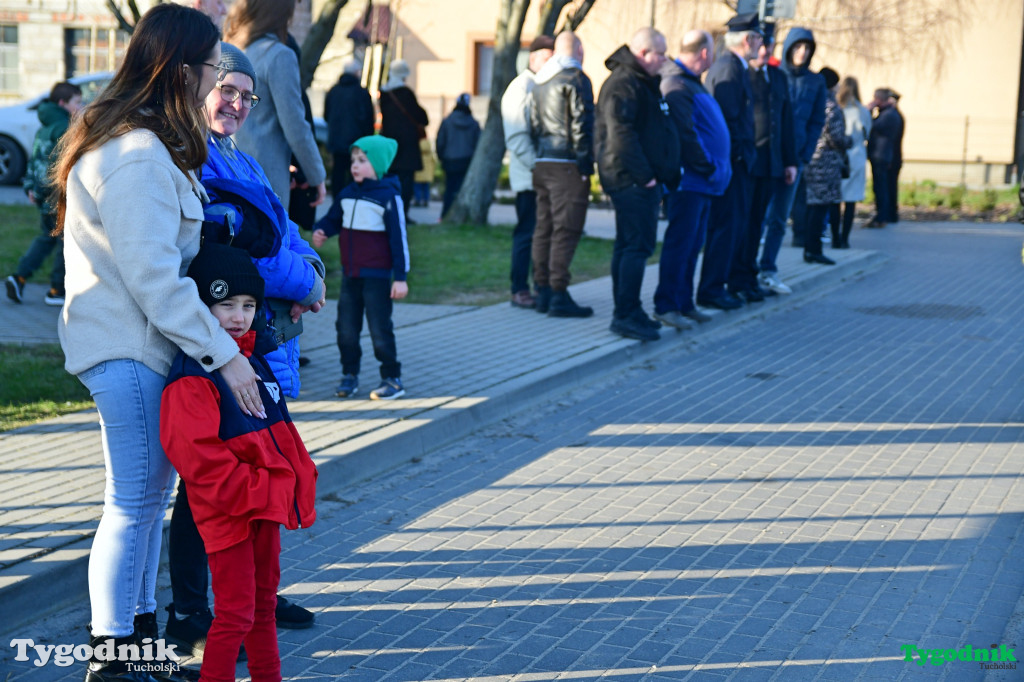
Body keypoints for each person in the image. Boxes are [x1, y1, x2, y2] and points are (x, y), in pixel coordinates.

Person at [51, 6, 261, 681]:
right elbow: (155, 280)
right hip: (127, 347)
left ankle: (135, 646)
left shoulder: (145, 144)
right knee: (133, 501)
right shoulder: (136, 154)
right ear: (179, 69)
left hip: (144, 347)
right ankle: (113, 657)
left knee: (146, 499)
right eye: (207, 68)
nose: (213, 80)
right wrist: (225, 357)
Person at [164, 42, 324, 658]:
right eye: (225, 89)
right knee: (204, 484)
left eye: (245, 96)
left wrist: (309, 266)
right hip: (220, 343)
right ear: (199, 86)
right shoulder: (192, 155)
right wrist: (304, 281)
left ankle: (254, 592)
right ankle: (193, 610)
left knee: (260, 457)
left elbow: (281, 232)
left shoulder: (243, 156)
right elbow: (239, 257)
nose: (235, 103)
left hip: (261, 341)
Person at [161, 243, 318, 682]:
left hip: (265, 507)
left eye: (248, 305)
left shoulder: (254, 363)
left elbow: (282, 435)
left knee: (264, 607)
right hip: (231, 514)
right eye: (225, 304)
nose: (238, 316)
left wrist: (296, 482)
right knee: (235, 614)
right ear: (201, 307)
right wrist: (261, 489)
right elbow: (199, 461)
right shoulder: (193, 376)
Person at [595, 26, 680, 341]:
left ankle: (630, 309)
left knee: (630, 246)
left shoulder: (640, 81)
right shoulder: (624, 83)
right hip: (631, 180)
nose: (665, 59)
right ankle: (625, 314)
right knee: (636, 246)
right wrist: (646, 177)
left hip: (635, 179)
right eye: (661, 53)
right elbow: (621, 135)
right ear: (644, 53)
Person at [312, 136, 410, 401]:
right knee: (346, 328)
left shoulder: (388, 197)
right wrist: (323, 230)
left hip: (377, 278)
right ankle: (349, 375)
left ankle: (392, 377)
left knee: (380, 329)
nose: (355, 165)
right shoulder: (347, 193)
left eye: (362, 160)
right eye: (354, 160)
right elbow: (333, 219)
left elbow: (399, 239)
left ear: (377, 165)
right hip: (350, 276)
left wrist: (400, 278)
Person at [654, 30, 731, 330]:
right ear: (703, 53)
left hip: (704, 182)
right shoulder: (675, 84)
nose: (713, 57)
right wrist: (708, 166)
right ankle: (666, 304)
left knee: (692, 245)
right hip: (691, 182)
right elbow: (685, 134)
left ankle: (684, 303)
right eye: (711, 51)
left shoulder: (690, 83)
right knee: (680, 244)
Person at [225, 0, 326, 212]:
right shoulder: (279, 55)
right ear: (282, 16)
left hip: (227, 167)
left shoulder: (231, 49)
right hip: (264, 176)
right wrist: (316, 175)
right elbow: (295, 125)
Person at [696, 12, 761, 312]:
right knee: (725, 228)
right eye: (758, 38)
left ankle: (719, 284)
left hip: (738, 163)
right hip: (732, 164)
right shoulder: (729, 69)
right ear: (748, 40)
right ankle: (712, 288)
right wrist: (738, 156)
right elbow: (726, 121)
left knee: (732, 227)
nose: (760, 45)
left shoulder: (735, 67)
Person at [529, 31, 595, 318]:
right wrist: (585, 166)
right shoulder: (576, 79)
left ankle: (542, 289)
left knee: (544, 228)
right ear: (578, 50)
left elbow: (533, 124)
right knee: (565, 229)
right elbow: (582, 125)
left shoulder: (540, 80)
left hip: (543, 161)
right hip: (567, 163)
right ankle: (558, 293)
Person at [729, 31, 797, 302]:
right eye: (762, 45)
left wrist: (790, 160)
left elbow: (786, 120)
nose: (766, 51)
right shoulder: (744, 75)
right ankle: (737, 277)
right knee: (743, 222)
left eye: (769, 46)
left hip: (772, 163)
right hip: (750, 160)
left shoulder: (778, 77)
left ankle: (750, 275)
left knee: (758, 221)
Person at [6, 81, 82, 306]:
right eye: (77, 102)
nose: (80, 106)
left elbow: (35, 159)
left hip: (43, 194)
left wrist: (30, 187)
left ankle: (18, 277)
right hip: (60, 195)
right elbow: (65, 165)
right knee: (65, 241)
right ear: (62, 103)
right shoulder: (65, 128)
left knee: (46, 238)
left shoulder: (44, 128)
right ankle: (57, 290)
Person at [760, 26, 826, 270]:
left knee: (779, 218)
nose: (802, 52)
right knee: (760, 216)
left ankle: (768, 267)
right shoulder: (774, 75)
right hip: (769, 156)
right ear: (789, 47)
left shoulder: (815, 81)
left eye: (807, 48)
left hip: (796, 158)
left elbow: (817, 121)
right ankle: (746, 269)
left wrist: (806, 154)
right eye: (798, 46)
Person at [500, 34, 554, 309]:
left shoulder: (541, 85)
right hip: (529, 178)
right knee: (527, 233)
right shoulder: (520, 88)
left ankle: (538, 285)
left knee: (540, 234)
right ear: (533, 58)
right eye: (546, 57)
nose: (550, 63)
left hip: (541, 176)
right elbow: (517, 138)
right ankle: (518, 288)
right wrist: (539, 167)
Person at [802, 67, 851, 265]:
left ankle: (808, 247)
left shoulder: (812, 100)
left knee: (813, 205)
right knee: (821, 206)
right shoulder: (830, 105)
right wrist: (850, 141)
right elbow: (836, 136)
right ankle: (814, 250)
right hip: (826, 162)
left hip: (811, 158)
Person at [379, 59, 429, 218]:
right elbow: (422, 117)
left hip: (390, 145)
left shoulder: (384, 96)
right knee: (406, 182)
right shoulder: (407, 94)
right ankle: (402, 214)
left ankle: (390, 212)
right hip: (408, 146)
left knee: (390, 181)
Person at [325, 58, 375, 197]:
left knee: (338, 173)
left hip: (337, 140)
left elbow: (326, 115)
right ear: (356, 73)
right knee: (356, 172)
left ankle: (337, 200)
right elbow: (368, 119)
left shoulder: (333, 91)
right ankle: (352, 199)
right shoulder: (362, 93)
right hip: (356, 141)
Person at [833, 76, 872, 247]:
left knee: (834, 200)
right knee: (850, 201)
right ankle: (845, 239)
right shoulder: (862, 111)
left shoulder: (836, 108)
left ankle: (835, 238)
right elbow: (867, 134)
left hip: (838, 157)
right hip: (856, 157)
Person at [436, 93, 481, 217]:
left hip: (449, 160)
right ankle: (461, 216)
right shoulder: (473, 124)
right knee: (462, 190)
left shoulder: (447, 122)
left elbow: (440, 141)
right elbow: (478, 143)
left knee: (449, 189)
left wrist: (441, 157)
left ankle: (445, 214)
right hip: (466, 160)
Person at [866, 88, 904, 227]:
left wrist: (868, 112)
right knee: (884, 187)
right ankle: (887, 215)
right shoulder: (889, 114)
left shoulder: (889, 115)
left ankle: (883, 216)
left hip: (881, 156)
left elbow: (871, 127)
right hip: (883, 156)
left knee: (882, 187)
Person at [413, 136, 435, 206]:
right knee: (426, 189)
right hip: (427, 175)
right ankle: (426, 200)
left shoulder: (416, 153)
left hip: (418, 174)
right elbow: (433, 162)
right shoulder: (430, 153)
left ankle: (418, 200)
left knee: (417, 188)